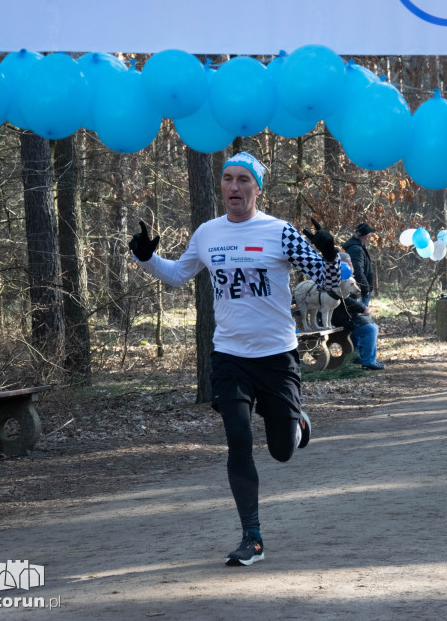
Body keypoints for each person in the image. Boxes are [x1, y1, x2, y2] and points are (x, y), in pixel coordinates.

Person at [128, 151, 341, 567]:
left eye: (244, 180)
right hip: (229, 356)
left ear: (258, 188)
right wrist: (146, 258)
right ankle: (252, 537)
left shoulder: (280, 232)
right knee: (238, 441)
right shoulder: (208, 233)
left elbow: (330, 283)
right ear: (221, 186)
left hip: (277, 356)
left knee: (282, 451)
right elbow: (177, 276)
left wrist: (331, 255)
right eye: (228, 179)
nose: (234, 187)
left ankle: (296, 421)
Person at [331, 273, 385, 371]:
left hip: (349, 315)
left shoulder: (347, 279)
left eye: (350, 262)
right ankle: (368, 362)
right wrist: (362, 308)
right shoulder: (337, 282)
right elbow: (345, 299)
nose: (351, 265)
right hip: (339, 318)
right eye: (348, 262)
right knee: (370, 329)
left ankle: (360, 358)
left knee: (372, 327)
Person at [343, 223, 377, 307]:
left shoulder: (358, 247)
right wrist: (366, 290)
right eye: (370, 236)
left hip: (358, 291)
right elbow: (358, 272)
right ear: (366, 236)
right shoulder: (356, 249)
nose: (370, 238)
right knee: (361, 316)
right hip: (358, 292)